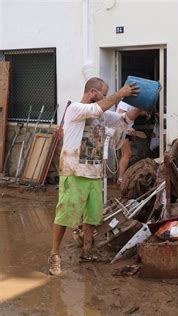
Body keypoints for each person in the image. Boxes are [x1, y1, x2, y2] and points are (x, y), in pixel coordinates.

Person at [48, 77, 146, 276]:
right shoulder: (75, 109)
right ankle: (54, 256)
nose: (106, 96)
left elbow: (124, 119)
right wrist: (120, 94)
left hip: (94, 173)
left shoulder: (102, 115)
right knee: (66, 214)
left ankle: (87, 250)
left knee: (92, 216)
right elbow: (95, 110)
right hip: (74, 171)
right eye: (104, 92)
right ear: (93, 92)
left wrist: (141, 103)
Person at [115, 101, 135, 185]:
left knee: (125, 154)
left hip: (126, 131)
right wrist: (126, 129)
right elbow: (119, 116)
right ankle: (120, 178)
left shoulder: (132, 103)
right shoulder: (125, 103)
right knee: (127, 154)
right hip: (122, 131)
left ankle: (121, 177)